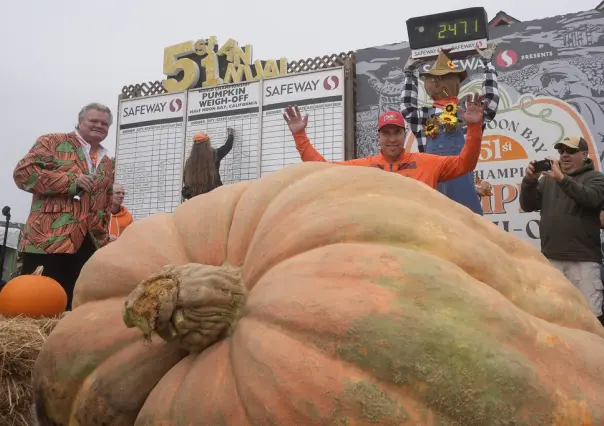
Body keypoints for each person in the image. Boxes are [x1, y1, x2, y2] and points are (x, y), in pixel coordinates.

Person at [13, 102, 114, 310]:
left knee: (76, 306)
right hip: (48, 239)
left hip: (89, 243)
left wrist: (104, 237)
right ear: (80, 122)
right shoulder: (52, 142)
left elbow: (106, 200)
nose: (99, 126)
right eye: (93, 120)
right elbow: (23, 175)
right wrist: (70, 182)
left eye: (104, 123)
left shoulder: (106, 162)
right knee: (37, 305)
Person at [283, 98, 486, 190]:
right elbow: (322, 170)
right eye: (386, 133)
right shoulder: (364, 167)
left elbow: (464, 164)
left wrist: (474, 128)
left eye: (397, 132)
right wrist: (300, 135)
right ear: (378, 137)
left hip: (422, 242)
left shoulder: (428, 163)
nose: (392, 138)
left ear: (404, 134)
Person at [401, 46, 499, 215]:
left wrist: (488, 64)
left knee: (469, 233)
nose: (436, 83)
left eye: (442, 78)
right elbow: (407, 106)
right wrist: (409, 73)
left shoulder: (467, 112)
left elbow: (490, 103)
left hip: (464, 191)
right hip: (433, 190)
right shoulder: (423, 117)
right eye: (433, 79)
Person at [519, 136, 604, 326]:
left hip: (583, 261)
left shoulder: (595, 178)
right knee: (556, 316)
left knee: (591, 317)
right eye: (561, 151)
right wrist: (530, 181)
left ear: (584, 154)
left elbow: (590, 198)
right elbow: (528, 204)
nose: (564, 155)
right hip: (551, 259)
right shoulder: (548, 180)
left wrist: (561, 178)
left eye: (571, 151)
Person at [182, 128, 235, 200]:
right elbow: (227, 146)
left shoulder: (189, 162)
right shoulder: (214, 155)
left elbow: (185, 181)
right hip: (213, 196)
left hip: (194, 199)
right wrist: (231, 134)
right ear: (207, 144)